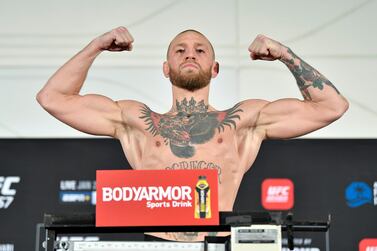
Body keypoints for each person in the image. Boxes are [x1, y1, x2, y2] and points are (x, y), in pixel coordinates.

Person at [36, 26, 349, 241]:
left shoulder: (243, 121)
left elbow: (331, 107)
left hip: (217, 243)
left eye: (200, 50)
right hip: (155, 244)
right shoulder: (138, 122)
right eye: (180, 50)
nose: (190, 54)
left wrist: (284, 52)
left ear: (214, 68)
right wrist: (97, 46)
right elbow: (53, 98)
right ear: (165, 67)